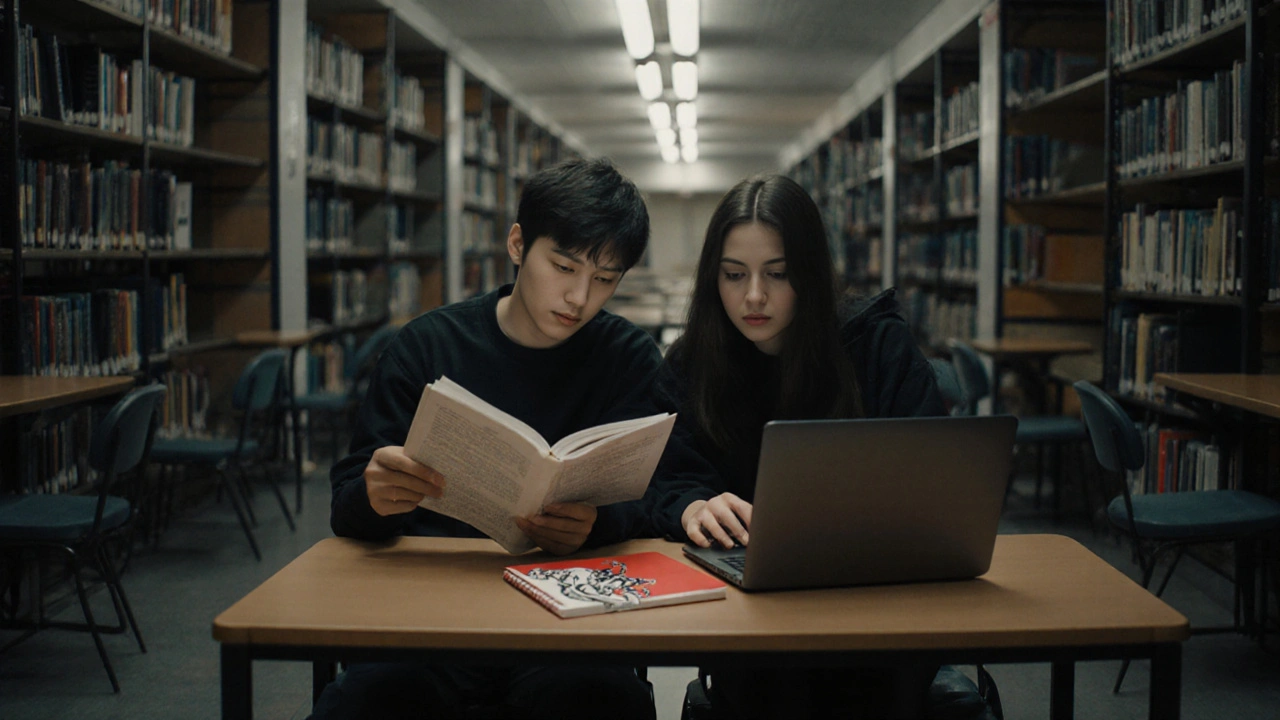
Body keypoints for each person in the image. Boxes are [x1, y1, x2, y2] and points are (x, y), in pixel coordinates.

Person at [313, 158, 660, 720]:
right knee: (372, 699)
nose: (579, 297)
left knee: (599, 699)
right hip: (432, 608)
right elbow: (348, 507)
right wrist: (373, 496)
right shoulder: (425, 348)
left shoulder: (630, 359)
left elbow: (651, 501)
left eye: (604, 279)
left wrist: (600, 522)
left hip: (569, 611)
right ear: (518, 244)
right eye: (564, 266)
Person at [648, 174, 946, 719]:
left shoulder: (876, 345)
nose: (754, 296)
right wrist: (692, 504)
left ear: (809, 272)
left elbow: (938, 479)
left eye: (778, 274)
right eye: (734, 275)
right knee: (769, 686)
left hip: (879, 597)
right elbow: (667, 477)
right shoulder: (692, 362)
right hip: (749, 613)